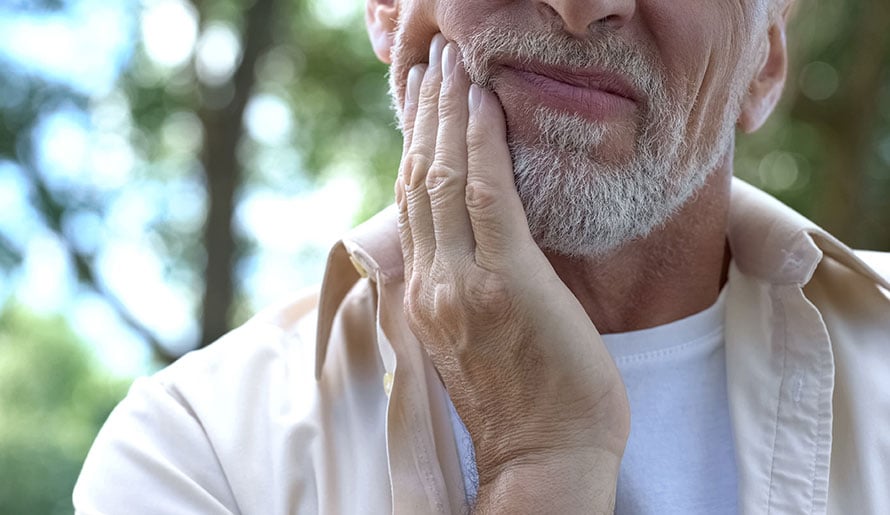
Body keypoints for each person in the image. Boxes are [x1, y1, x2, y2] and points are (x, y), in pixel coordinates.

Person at [75, 0, 890, 513]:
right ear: (389, 9)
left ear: (765, 63)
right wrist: (540, 464)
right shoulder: (196, 454)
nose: (581, 7)